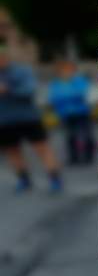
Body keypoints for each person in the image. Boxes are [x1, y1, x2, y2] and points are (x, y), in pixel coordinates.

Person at [0, 40, 62, 193]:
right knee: (12, 150)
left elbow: (30, 90)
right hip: (5, 121)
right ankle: (24, 179)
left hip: (28, 118)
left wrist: (8, 89)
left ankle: (54, 178)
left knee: (42, 148)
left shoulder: (21, 71)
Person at [48, 59, 94, 165]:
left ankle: (88, 156)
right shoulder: (56, 83)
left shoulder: (79, 80)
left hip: (81, 113)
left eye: (68, 69)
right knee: (70, 136)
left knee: (86, 135)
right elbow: (54, 97)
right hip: (65, 114)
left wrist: (65, 96)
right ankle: (74, 157)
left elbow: (82, 93)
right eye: (63, 70)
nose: (66, 72)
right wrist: (69, 96)